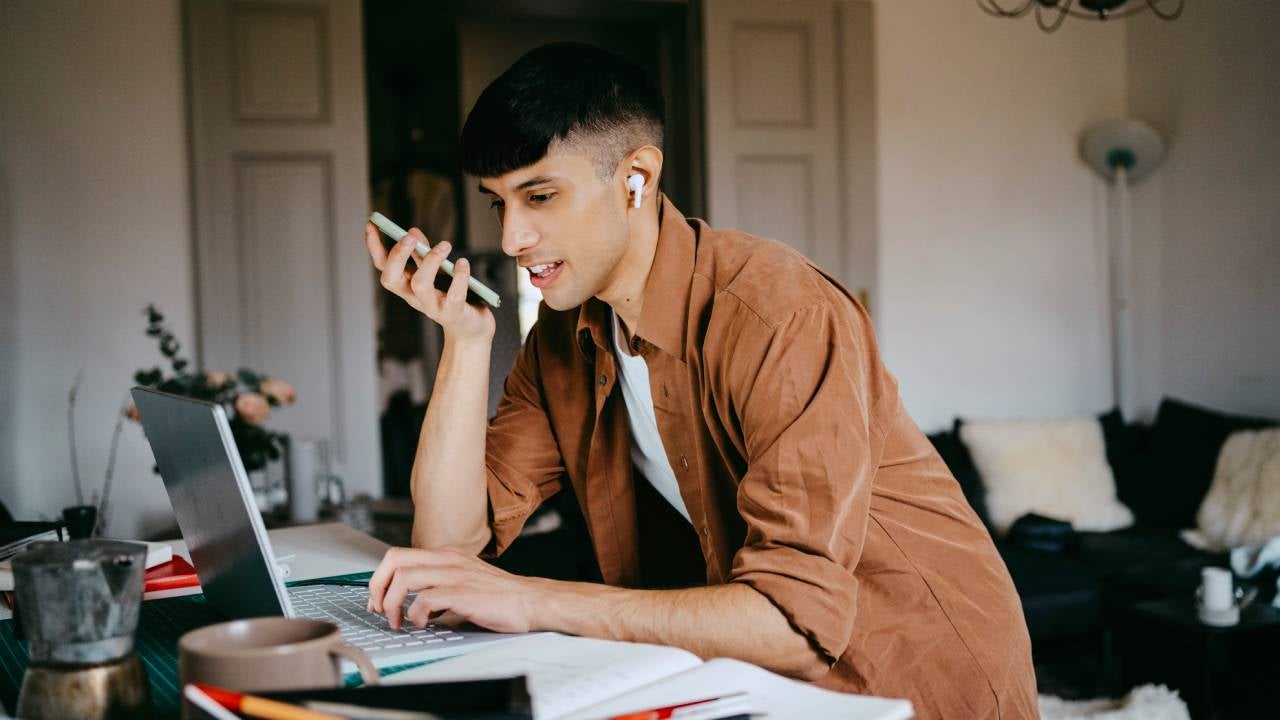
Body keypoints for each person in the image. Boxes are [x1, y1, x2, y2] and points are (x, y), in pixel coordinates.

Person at [362, 42, 1037, 718]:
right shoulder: (562, 340)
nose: (511, 238)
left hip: (918, 675)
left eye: (540, 195)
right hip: (759, 679)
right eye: (497, 204)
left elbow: (793, 623)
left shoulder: (780, 314)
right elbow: (449, 548)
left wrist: (528, 598)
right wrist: (466, 338)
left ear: (636, 178)